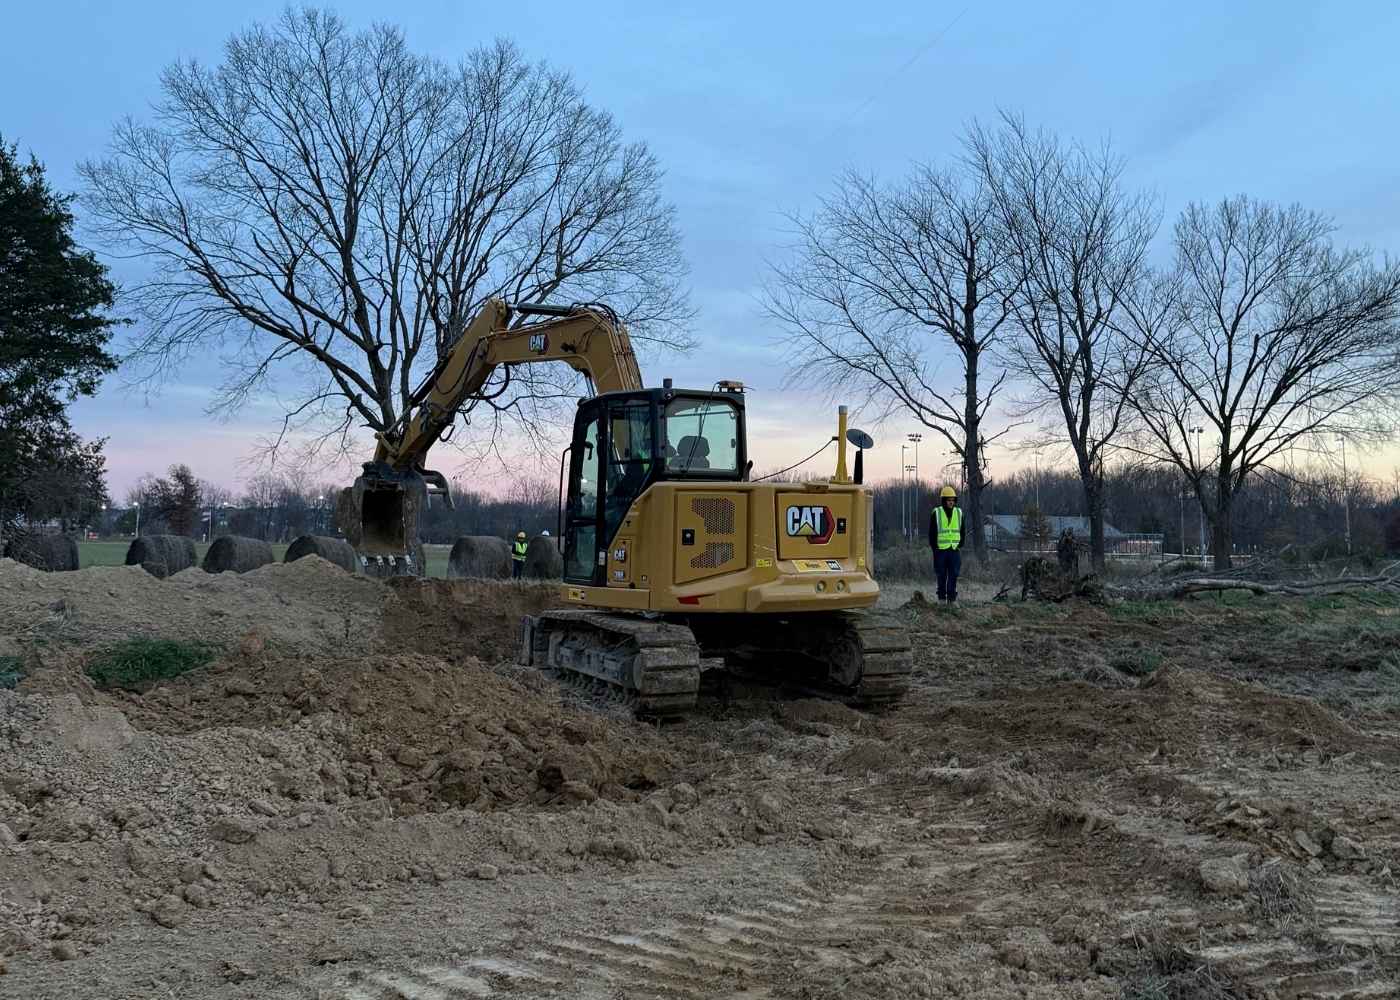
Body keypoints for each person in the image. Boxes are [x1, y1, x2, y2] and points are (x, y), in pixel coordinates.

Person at [928, 485, 965, 603]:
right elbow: (932, 533)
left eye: (953, 500)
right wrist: (935, 549)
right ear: (944, 501)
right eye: (949, 500)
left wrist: (960, 544)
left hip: (954, 550)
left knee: (954, 575)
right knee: (941, 575)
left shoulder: (959, 512)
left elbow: (962, 530)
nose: (951, 502)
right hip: (941, 550)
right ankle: (942, 599)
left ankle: (952, 599)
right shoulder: (937, 512)